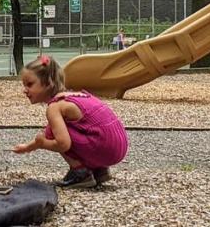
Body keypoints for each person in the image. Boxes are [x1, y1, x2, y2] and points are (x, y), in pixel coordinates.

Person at [13, 55, 128, 188]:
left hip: (105, 149)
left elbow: (63, 144)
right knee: (56, 129)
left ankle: (81, 173)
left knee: (52, 132)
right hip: (118, 146)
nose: (24, 90)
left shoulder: (55, 107)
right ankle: (99, 170)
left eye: (30, 84)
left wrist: (43, 144)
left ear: (48, 83)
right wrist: (28, 147)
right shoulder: (75, 96)